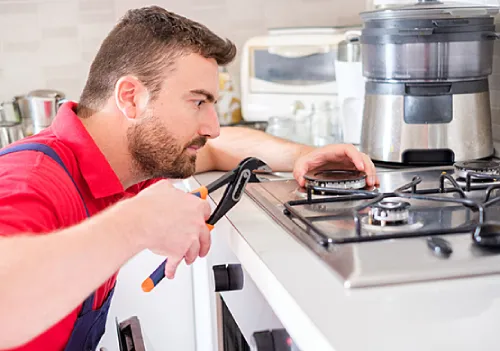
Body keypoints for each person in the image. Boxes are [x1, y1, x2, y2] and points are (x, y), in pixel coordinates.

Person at [0, 6, 378, 351]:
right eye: (198, 102)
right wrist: (136, 224)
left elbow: (215, 148)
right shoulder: (32, 180)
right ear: (131, 98)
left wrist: (300, 156)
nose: (212, 127)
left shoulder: (125, 163)